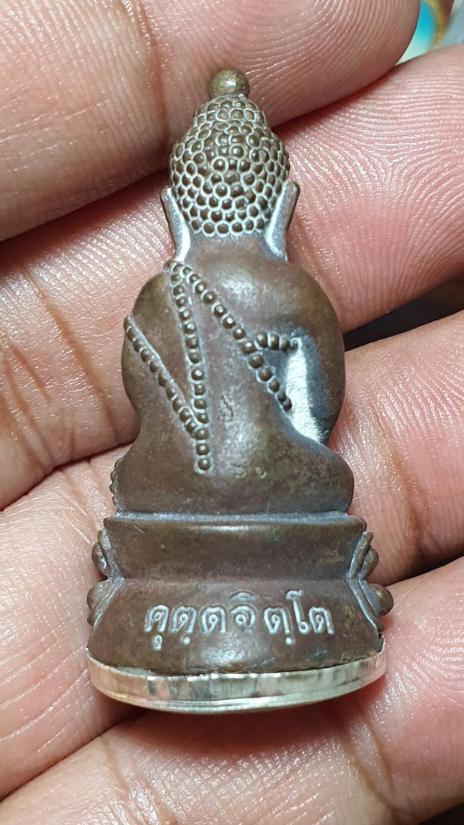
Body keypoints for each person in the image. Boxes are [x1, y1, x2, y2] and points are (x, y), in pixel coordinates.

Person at [0, 1, 462, 823]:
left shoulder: (157, 295)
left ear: (178, 217)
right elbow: (315, 418)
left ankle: (144, 606)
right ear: (280, 210)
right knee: (322, 477)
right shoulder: (297, 293)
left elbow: (147, 409)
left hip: (168, 513)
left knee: (140, 480)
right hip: (285, 527)